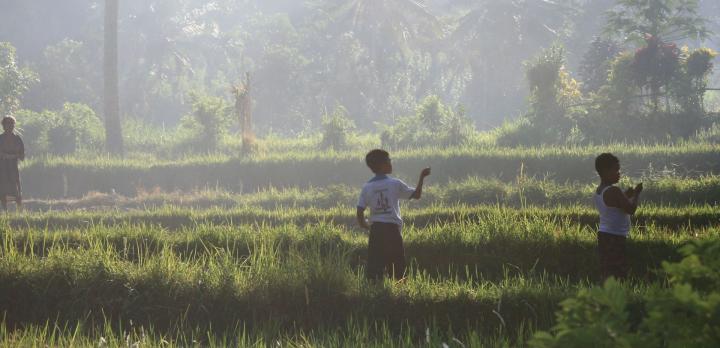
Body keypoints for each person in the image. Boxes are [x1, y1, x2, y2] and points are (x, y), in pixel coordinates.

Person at [357, 149, 431, 280]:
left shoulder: (367, 187)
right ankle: (400, 295)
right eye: (389, 160)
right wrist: (422, 177)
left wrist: (366, 225)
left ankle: (376, 296)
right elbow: (417, 195)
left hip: (376, 231)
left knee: (375, 268)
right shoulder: (395, 184)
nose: (391, 163)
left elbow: (360, 211)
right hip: (392, 230)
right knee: (398, 266)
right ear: (383, 164)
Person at [594, 153, 642, 280]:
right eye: (616, 170)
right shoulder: (614, 191)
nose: (619, 173)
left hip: (604, 234)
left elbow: (616, 205)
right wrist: (636, 194)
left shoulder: (600, 190)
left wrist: (627, 195)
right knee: (618, 271)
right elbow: (630, 209)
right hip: (614, 237)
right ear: (605, 171)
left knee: (607, 270)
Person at [0, 116, 24, 212]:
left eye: (12, 124)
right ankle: (5, 211)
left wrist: (13, 156)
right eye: (7, 124)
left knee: (17, 190)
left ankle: (20, 212)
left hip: (13, 168)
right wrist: (4, 155)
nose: (10, 126)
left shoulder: (17, 139)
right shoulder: (0, 139)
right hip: (2, 168)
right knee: (2, 190)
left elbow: (22, 156)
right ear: (3, 126)